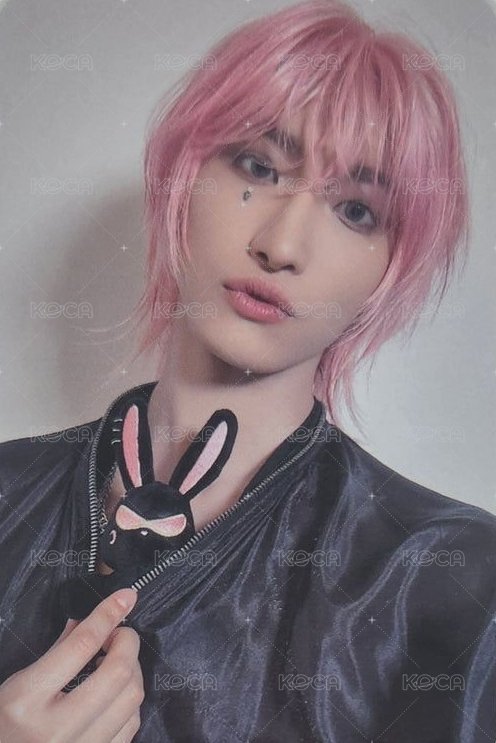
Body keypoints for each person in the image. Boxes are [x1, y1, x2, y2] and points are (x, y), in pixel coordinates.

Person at [0, 0, 494, 741]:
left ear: (393, 266)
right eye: (259, 167)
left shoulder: (450, 583)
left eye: (356, 211)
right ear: (183, 174)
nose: (281, 245)